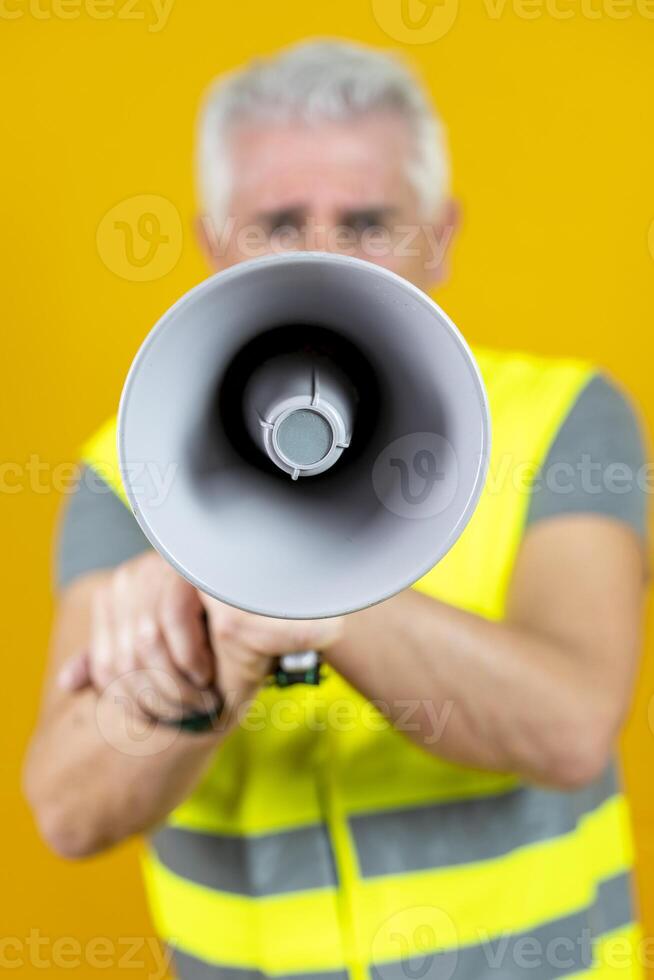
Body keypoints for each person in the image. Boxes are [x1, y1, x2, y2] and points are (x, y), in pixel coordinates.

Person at [24, 39, 649, 980]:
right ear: (213, 245)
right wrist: (213, 657)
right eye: (278, 223)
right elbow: (69, 813)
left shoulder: (563, 416)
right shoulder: (127, 470)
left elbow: (568, 730)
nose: (322, 257)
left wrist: (300, 586)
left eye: (365, 222)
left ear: (439, 236)